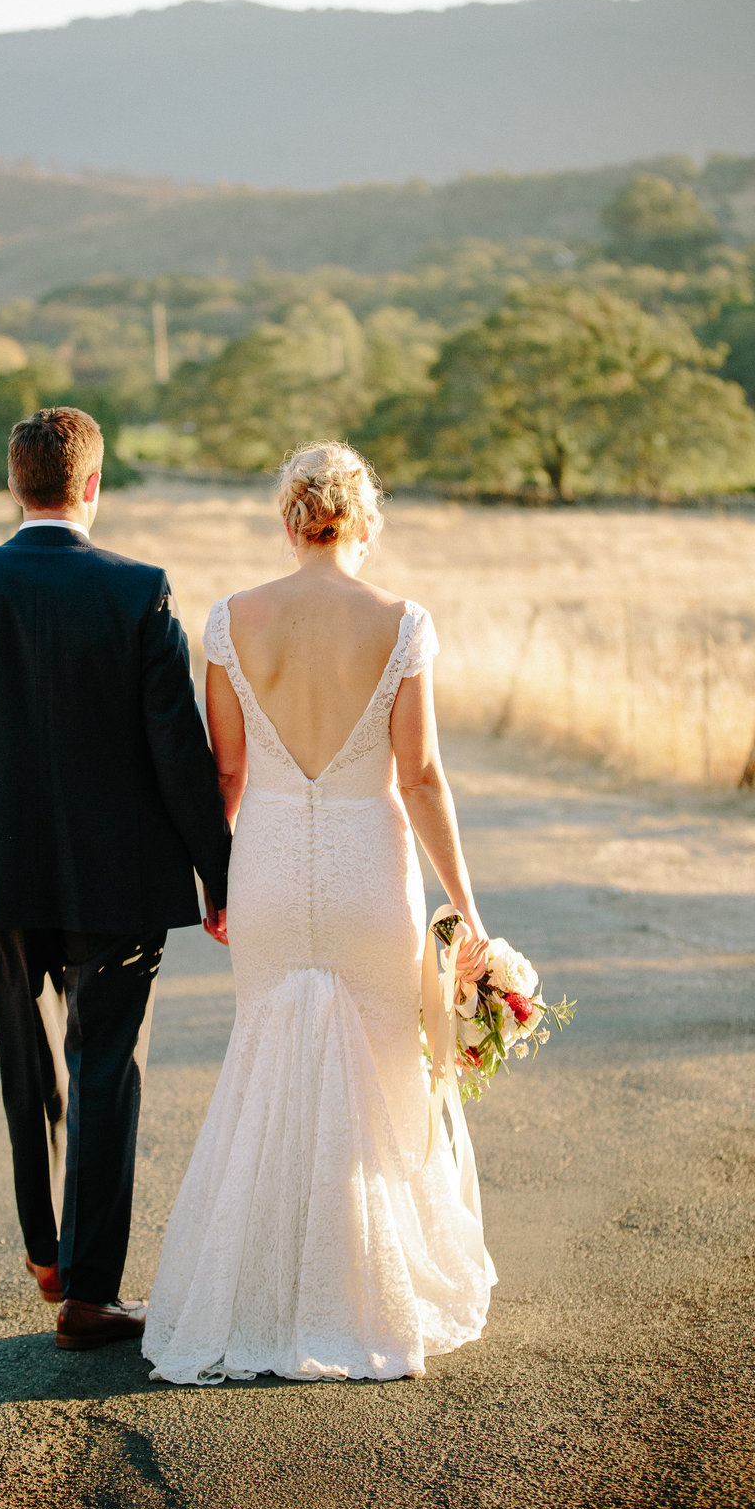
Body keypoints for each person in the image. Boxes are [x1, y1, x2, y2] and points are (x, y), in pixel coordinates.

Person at [143, 440, 496, 1385]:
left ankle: (259, 1293)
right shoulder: (401, 622)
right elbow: (418, 776)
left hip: (263, 864)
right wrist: (467, 911)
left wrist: (216, 883)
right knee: (383, 1069)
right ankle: (364, 1295)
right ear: (363, 518)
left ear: (289, 518)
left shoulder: (231, 620)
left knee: (268, 1053)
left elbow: (225, 773)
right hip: (367, 869)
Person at [0, 406, 230, 1352]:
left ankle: (45, 1254)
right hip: (118, 884)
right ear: (93, 485)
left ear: (18, 485)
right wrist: (222, 874)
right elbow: (180, 750)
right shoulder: (139, 591)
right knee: (104, 1072)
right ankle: (90, 1291)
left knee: (27, 1066)